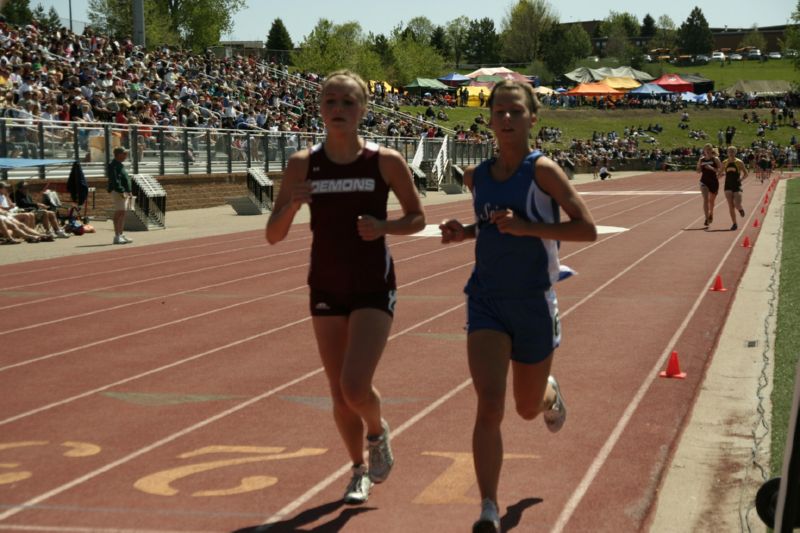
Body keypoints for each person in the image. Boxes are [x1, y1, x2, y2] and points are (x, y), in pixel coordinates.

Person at [438, 80, 597, 533]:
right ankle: (488, 506)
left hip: (532, 301)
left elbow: (586, 230)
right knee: (489, 405)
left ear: (533, 118)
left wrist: (527, 228)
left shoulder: (543, 171)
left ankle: (550, 392)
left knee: (526, 408)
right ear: (488, 119)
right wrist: (463, 233)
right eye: (499, 112)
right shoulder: (479, 176)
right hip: (486, 300)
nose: (506, 119)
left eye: (515, 112)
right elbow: (492, 227)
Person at [265, 70, 425, 505]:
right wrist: (294, 204)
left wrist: (384, 225)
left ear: (363, 110)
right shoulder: (303, 165)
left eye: (348, 103)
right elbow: (273, 234)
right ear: (320, 108)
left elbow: (417, 218)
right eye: (330, 101)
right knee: (338, 392)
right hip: (326, 284)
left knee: (356, 386)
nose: (338, 110)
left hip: (373, 283)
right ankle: (357, 470)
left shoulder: (385, 161)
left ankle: (377, 432)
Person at [107, 146, 134, 244]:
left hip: (123, 192)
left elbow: (124, 179)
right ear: (118, 155)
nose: (126, 156)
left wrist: (129, 190)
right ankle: (117, 236)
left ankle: (121, 234)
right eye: (124, 154)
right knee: (120, 212)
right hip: (118, 192)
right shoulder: (113, 165)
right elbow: (115, 180)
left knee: (123, 213)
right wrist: (122, 190)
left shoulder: (120, 165)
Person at [696, 143, 722, 227]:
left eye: (709, 149)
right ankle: (706, 219)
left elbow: (721, 171)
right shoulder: (702, 159)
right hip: (704, 181)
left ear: (711, 150)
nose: (707, 151)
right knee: (705, 199)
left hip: (714, 182)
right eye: (705, 150)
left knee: (711, 201)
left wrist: (711, 168)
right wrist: (699, 165)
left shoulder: (716, 159)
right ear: (704, 150)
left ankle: (711, 213)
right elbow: (698, 171)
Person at [722, 146, 748, 231]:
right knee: (730, 205)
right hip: (727, 185)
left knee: (737, 204)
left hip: (737, 185)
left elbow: (746, 173)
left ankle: (740, 209)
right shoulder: (725, 162)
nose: (731, 153)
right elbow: (720, 172)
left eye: (733, 151)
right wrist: (718, 175)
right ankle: (734, 223)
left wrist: (741, 179)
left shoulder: (739, 162)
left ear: (735, 152)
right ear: (727, 153)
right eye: (729, 151)